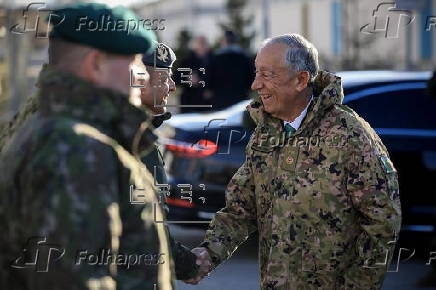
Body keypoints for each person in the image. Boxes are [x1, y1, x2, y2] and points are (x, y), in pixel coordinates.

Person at [186, 34, 402, 289]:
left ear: (301, 80)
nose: (256, 84)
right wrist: (207, 255)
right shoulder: (266, 135)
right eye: (257, 73)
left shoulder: (349, 135)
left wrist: (357, 285)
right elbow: (240, 209)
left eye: (268, 75)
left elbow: (382, 223)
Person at [0, 3, 173, 289]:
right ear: (95, 64)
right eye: (133, 63)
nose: (141, 76)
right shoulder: (74, 149)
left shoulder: (56, 131)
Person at [140, 42, 208, 280]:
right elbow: (145, 229)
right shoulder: (128, 139)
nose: (171, 86)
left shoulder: (141, 132)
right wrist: (188, 265)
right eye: (164, 78)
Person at [206, 30, 254, 111]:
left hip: (220, 100)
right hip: (240, 98)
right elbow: (251, 78)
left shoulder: (215, 58)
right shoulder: (244, 57)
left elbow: (208, 78)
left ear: (223, 41)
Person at [175, 36, 212, 113]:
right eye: (199, 43)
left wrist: (212, 90)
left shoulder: (214, 61)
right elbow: (175, 78)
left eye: (203, 43)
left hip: (208, 104)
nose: (202, 46)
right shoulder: (187, 61)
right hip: (189, 102)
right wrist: (187, 80)